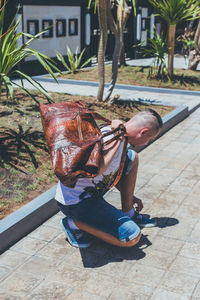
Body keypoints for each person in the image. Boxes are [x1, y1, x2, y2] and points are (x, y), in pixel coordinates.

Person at [55, 108, 163, 248]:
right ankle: (72, 223)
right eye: (149, 139)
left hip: (93, 192)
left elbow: (110, 174)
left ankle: (128, 213)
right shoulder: (111, 136)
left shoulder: (122, 135)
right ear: (144, 132)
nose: (147, 142)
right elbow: (99, 170)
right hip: (76, 203)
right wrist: (118, 135)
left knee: (131, 157)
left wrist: (129, 196)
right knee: (131, 237)